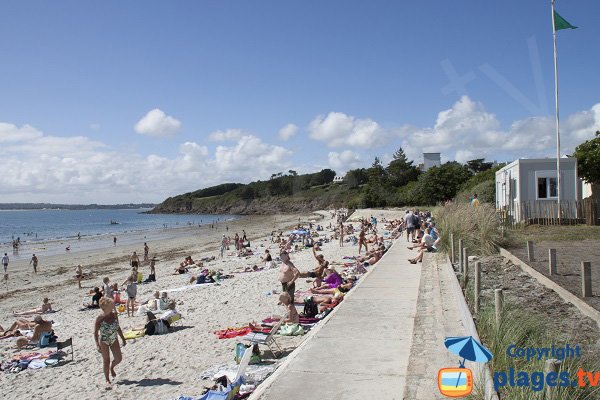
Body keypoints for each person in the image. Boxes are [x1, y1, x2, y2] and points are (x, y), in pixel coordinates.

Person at [93, 298, 126, 387]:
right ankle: (107, 379)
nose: (113, 305)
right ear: (106, 306)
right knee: (106, 361)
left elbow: (118, 327)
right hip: (104, 340)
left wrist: (123, 338)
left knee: (119, 358)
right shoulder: (100, 318)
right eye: (111, 304)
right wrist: (97, 344)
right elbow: (95, 333)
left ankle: (112, 368)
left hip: (114, 339)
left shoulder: (114, 315)